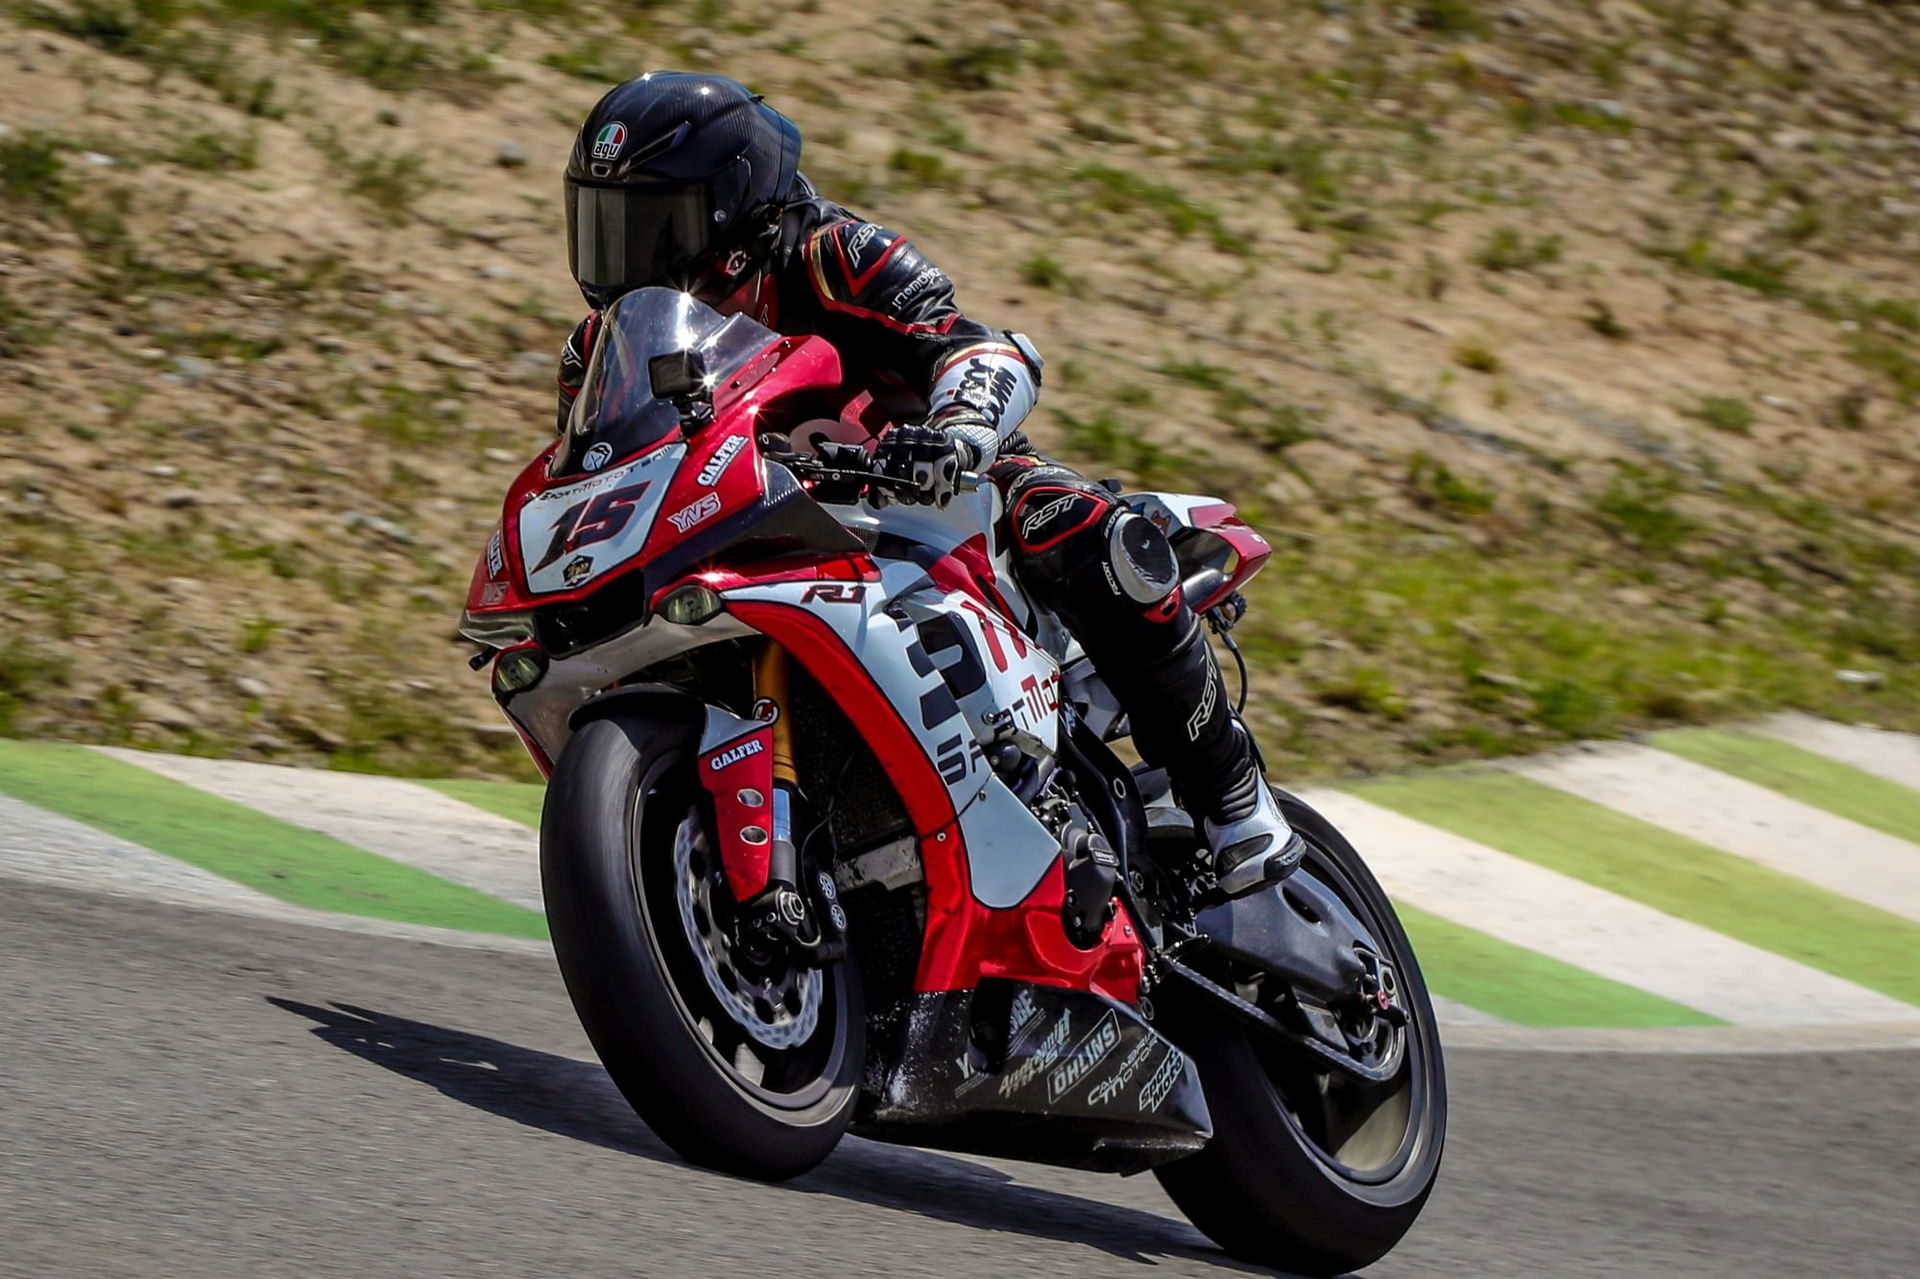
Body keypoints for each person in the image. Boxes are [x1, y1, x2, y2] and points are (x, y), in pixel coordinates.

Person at [556, 72, 1303, 897]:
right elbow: (603, 467)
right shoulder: (603, 352)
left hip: (932, 497)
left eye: (651, 225)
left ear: (731, 206)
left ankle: (1237, 802)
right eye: (606, 226)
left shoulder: (831, 256)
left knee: (1083, 529)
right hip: (769, 537)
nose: (628, 256)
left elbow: (978, 348)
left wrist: (954, 437)